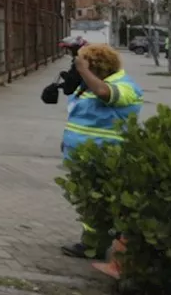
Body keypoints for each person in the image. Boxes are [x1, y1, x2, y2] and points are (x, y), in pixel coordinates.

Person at [59, 43, 144, 258]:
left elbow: (104, 93)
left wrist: (84, 71)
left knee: (103, 201)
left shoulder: (123, 86)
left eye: (88, 66)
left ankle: (101, 245)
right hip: (82, 153)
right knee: (90, 201)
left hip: (107, 155)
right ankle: (92, 243)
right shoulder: (88, 85)